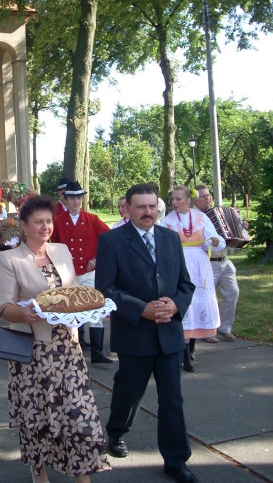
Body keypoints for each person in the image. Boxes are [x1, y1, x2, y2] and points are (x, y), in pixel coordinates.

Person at [0, 195, 111, 483]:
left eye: (48, 221)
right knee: (37, 417)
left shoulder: (62, 250)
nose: (45, 227)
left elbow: (73, 295)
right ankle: (39, 471)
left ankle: (82, 475)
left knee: (79, 414)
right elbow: (5, 307)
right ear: (23, 225)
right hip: (32, 352)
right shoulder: (9, 258)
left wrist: (88, 310)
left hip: (68, 349)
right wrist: (25, 314)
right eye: (38, 222)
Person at [95, 183, 198, 483]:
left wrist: (175, 305)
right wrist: (142, 309)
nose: (148, 212)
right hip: (134, 333)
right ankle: (116, 432)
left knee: (172, 400)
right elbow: (106, 290)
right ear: (127, 208)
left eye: (152, 206)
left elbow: (186, 285)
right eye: (141, 207)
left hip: (169, 334)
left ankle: (176, 461)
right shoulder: (111, 241)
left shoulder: (170, 238)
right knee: (129, 391)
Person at [160, 186, 225, 371]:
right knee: (184, 305)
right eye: (172, 199)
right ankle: (184, 353)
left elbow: (216, 240)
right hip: (179, 265)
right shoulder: (167, 222)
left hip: (199, 266)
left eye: (178, 199)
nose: (174, 203)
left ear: (189, 200)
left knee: (197, 306)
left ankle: (192, 347)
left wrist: (213, 242)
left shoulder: (200, 218)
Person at [51, 181, 111, 363]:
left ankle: (97, 352)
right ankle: (71, 348)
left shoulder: (92, 219)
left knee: (95, 309)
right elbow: (51, 246)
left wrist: (96, 258)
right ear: (65, 200)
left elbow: (109, 240)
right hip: (67, 272)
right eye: (72, 198)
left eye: (79, 198)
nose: (76, 202)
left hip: (88, 271)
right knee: (69, 310)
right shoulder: (58, 221)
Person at [194, 184, 241, 342]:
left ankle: (225, 328)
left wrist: (241, 226)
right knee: (207, 297)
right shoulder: (195, 218)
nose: (207, 198)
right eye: (203, 196)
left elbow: (233, 235)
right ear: (195, 200)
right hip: (208, 262)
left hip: (225, 261)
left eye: (208, 195)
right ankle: (207, 331)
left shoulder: (219, 213)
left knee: (233, 293)